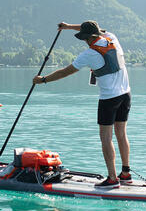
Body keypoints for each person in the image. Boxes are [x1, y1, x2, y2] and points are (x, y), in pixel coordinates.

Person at [33, 20, 132, 189]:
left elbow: (65, 72)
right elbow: (96, 28)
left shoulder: (89, 54)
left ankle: (112, 179)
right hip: (126, 94)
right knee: (121, 134)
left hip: (109, 99)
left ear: (87, 38)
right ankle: (126, 173)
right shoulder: (111, 37)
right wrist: (68, 27)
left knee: (106, 138)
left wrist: (43, 80)